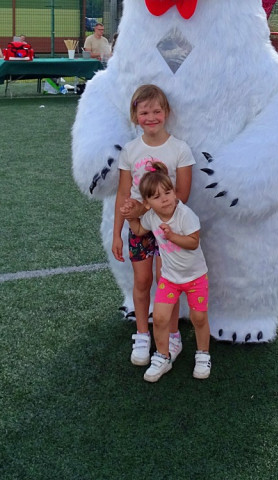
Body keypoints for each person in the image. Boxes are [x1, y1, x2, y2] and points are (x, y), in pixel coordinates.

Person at [113, 84, 193, 367]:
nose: (151, 117)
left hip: (168, 230)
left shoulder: (180, 150)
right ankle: (143, 334)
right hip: (138, 231)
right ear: (135, 115)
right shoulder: (131, 151)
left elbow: (182, 194)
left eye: (156, 111)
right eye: (144, 111)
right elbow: (123, 195)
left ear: (166, 113)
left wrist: (146, 209)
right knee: (142, 281)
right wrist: (118, 233)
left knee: (166, 282)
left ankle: (172, 335)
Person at [127, 162, 211, 382]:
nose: (165, 199)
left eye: (168, 192)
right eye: (156, 197)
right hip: (170, 279)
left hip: (195, 278)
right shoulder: (152, 218)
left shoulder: (185, 214)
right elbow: (138, 230)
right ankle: (162, 356)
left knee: (199, 317)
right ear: (147, 204)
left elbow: (193, 242)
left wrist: (172, 236)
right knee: (161, 318)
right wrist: (130, 217)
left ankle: (203, 354)